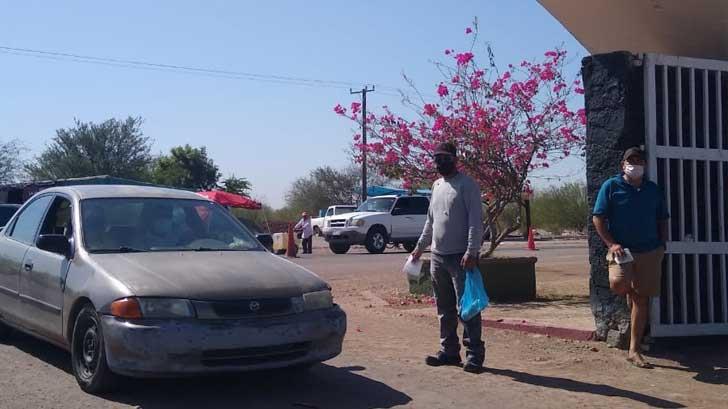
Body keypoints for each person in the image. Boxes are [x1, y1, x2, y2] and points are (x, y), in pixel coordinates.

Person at [411, 141, 485, 374]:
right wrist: (420, 247)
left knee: (468, 309)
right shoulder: (436, 185)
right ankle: (449, 352)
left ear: (455, 159)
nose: (440, 162)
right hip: (438, 257)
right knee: (444, 308)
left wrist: (472, 251)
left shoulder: (467, 185)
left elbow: (475, 221)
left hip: (461, 258)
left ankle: (474, 355)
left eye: (444, 158)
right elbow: (431, 222)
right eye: (437, 158)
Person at [593, 147, 669, 369]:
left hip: (649, 250)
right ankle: (629, 291)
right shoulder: (611, 186)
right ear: (623, 164)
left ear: (644, 165)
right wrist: (611, 243)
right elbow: (598, 218)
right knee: (618, 284)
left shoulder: (653, 190)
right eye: (631, 160)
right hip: (622, 251)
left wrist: (662, 244)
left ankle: (634, 350)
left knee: (641, 298)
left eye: (639, 160)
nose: (635, 164)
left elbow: (663, 218)